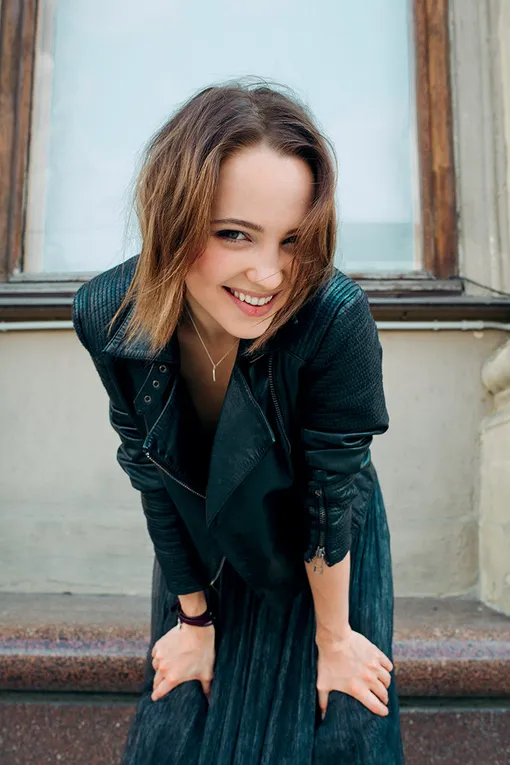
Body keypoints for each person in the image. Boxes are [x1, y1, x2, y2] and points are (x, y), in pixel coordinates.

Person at [73, 80, 405, 764]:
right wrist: (193, 618)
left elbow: (330, 493)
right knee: (178, 729)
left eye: (293, 240)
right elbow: (150, 473)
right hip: (202, 537)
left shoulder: (335, 317)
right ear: (174, 218)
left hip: (324, 541)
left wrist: (335, 637)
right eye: (234, 234)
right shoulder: (108, 313)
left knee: (339, 731)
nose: (270, 275)